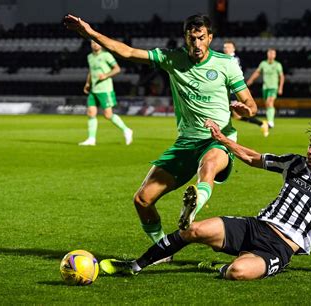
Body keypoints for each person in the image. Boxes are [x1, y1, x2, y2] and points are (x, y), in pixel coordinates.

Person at [64, 15, 258, 245]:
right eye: (192, 38)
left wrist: (244, 111)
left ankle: (193, 207)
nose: (197, 44)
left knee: (209, 166)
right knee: (142, 200)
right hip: (186, 143)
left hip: (219, 139)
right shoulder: (171, 58)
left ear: (210, 38)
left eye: (202, 38)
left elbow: (252, 105)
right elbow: (128, 52)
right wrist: (91, 33)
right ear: (185, 38)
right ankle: (162, 248)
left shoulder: (226, 64)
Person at [99, 120, 311, 281]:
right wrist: (223, 140)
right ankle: (134, 266)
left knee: (238, 272)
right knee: (192, 229)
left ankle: (220, 267)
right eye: (310, 145)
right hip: (255, 226)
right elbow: (254, 158)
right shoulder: (294, 163)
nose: (310, 151)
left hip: (280, 247)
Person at [79, 40, 133, 146]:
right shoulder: (89, 56)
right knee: (91, 113)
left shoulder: (106, 55)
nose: (95, 44)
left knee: (108, 115)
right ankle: (91, 139)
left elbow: (117, 69)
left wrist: (106, 75)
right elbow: (91, 71)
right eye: (92, 43)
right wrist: (87, 83)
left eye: (97, 43)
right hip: (94, 89)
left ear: (101, 44)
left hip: (105, 90)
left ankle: (126, 130)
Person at [223, 40, 270, 137]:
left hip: (233, 91)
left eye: (228, 47)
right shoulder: (225, 58)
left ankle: (261, 124)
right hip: (227, 90)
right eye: (225, 47)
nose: (225, 49)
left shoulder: (233, 59)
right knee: (236, 116)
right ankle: (261, 124)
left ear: (233, 49)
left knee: (234, 114)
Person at [246, 48, 284, 130]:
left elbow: (281, 76)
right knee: (267, 105)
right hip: (265, 88)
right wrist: (250, 80)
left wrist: (280, 88)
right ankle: (270, 119)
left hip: (273, 87)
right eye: (269, 53)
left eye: (273, 53)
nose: (271, 55)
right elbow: (257, 72)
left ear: (275, 55)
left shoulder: (278, 65)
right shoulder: (263, 63)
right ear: (267, 54)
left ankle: (271, 122)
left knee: (269, 102)